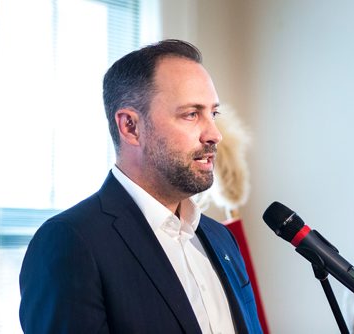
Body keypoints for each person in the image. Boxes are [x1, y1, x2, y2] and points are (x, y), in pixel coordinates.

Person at [19, 39, 262, 334]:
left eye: (213, 114)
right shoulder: (70, 242)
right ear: (131, 127)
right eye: (191, 114)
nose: (214, 134)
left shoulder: (222, 238)